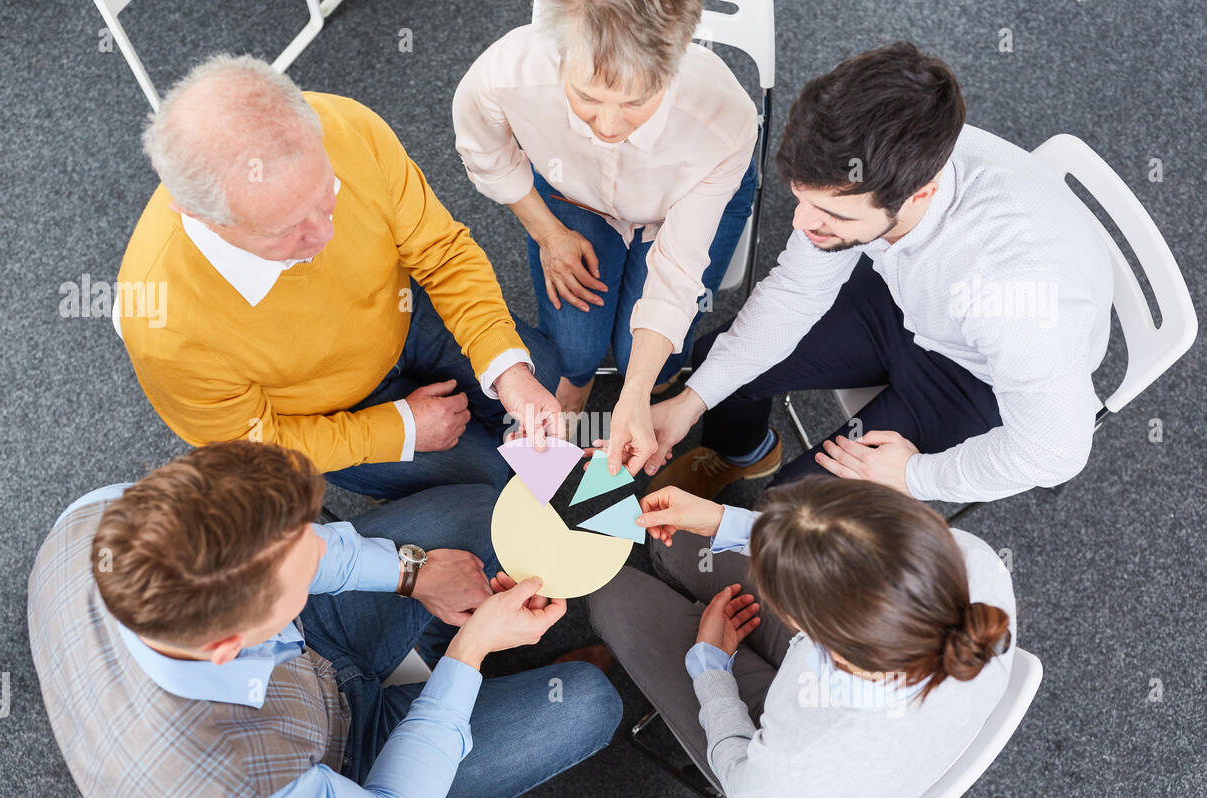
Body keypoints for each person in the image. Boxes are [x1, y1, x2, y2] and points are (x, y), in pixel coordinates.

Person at [27, 441, 621, 798]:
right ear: (234, 643)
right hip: (335, 772)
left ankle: (440, 654)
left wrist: (411, 575)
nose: (321, 550)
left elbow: (308, 550)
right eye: (303, 570)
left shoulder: (106, 516)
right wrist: (471, 654)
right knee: (588, 702)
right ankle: (454, 659)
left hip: (303, 654)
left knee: (474, 517)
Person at [647, 42, 1114, 505]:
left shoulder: (1017, 298)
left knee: (788, 510)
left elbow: (1055, 453)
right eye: (800, 196)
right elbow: (795, 292)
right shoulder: (882, 159)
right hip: (908, 300)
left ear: (919, 196)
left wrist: (916, 475)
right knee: (713, 366)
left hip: (979, 377)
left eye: (831, 213)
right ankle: (744, 454)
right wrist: (691, 402)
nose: (800, 223)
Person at [115, 54, 564, 502]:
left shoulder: (345, 126)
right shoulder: (163, 327)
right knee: (484, 482)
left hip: (404, 311)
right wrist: (396, 429)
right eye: (286, 230)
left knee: (538, 367)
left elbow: (439, 252)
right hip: (328, 413)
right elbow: (248, 444)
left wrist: (505, 368)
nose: (325, 235)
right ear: (203, 218)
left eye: (326, 194)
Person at [588, 477, 1016, 798]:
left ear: (808, 632)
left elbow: (742, 786)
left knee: (608, 594)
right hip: (849, 690)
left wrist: (712, 670)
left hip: (774, 754)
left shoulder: (796, 768)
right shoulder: (974, 566)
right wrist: (725, 521)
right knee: (676, 538)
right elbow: (845, 556)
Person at [453, 0, 758, 475]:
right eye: (588, 98)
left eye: (636, 102)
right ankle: (577, 385)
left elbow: (677, 271)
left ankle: (651, 384)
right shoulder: (506, 72)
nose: (610, 128)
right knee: (575, 351)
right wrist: (548, 234)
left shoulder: (722, 117)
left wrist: (634, 391)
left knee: (659, 361)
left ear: (677, 55)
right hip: (574, 197)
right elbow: (487, 156)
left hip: (681, 205)